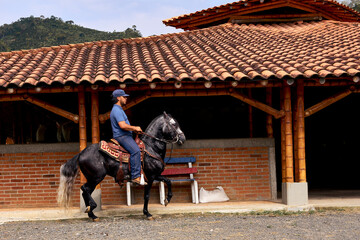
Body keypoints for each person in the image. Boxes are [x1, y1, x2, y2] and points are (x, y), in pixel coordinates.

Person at [110, 89, 147, 185]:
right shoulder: (116, 110)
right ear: (118, 98)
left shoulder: (118, 109)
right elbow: (122, 125)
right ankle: (135, 176)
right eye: (124, 97)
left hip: (125, 135)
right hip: (122, 136)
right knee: (135, 151)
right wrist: (134, 128)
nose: (126, 98)